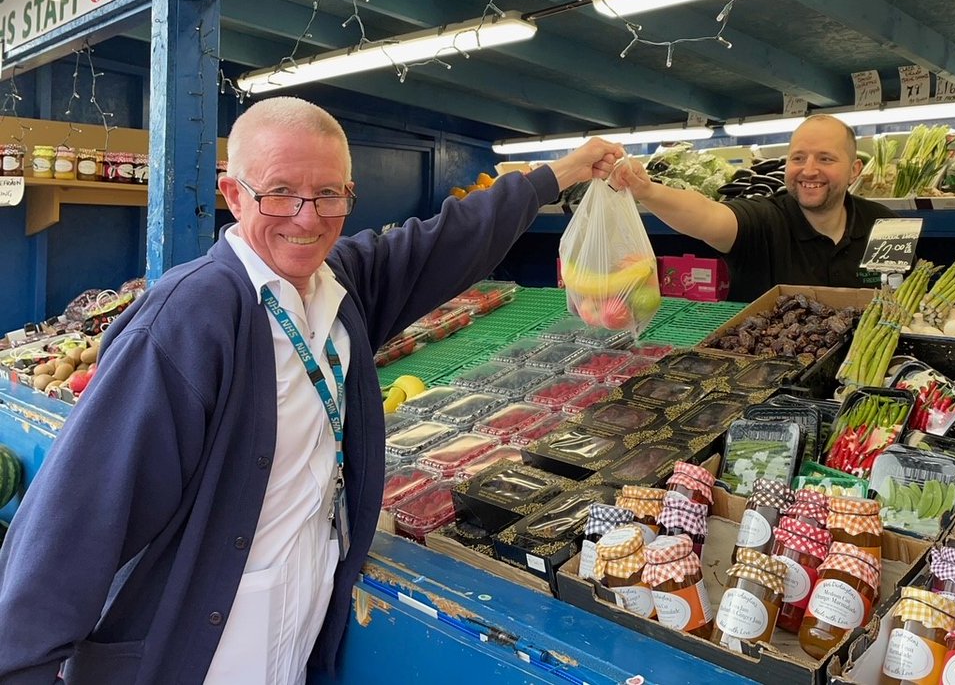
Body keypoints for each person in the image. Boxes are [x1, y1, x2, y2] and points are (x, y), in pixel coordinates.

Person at [0, 96, 623, 685]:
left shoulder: (340, 285)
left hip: (291, 642)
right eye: (280, 194)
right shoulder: (189, 322)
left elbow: (446, 238)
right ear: (233, 195)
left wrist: (561, 173)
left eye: (329, 194)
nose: (308, 218)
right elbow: (74, 521)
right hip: (193, 653)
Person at [609, 114, 895, 301]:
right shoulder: (765, 220)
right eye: (798, 158)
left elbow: (900, 296)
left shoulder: (885, 225)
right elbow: (707, 216)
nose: (808, 170)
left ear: (855, 170)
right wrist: (646, 190)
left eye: (825, 159)